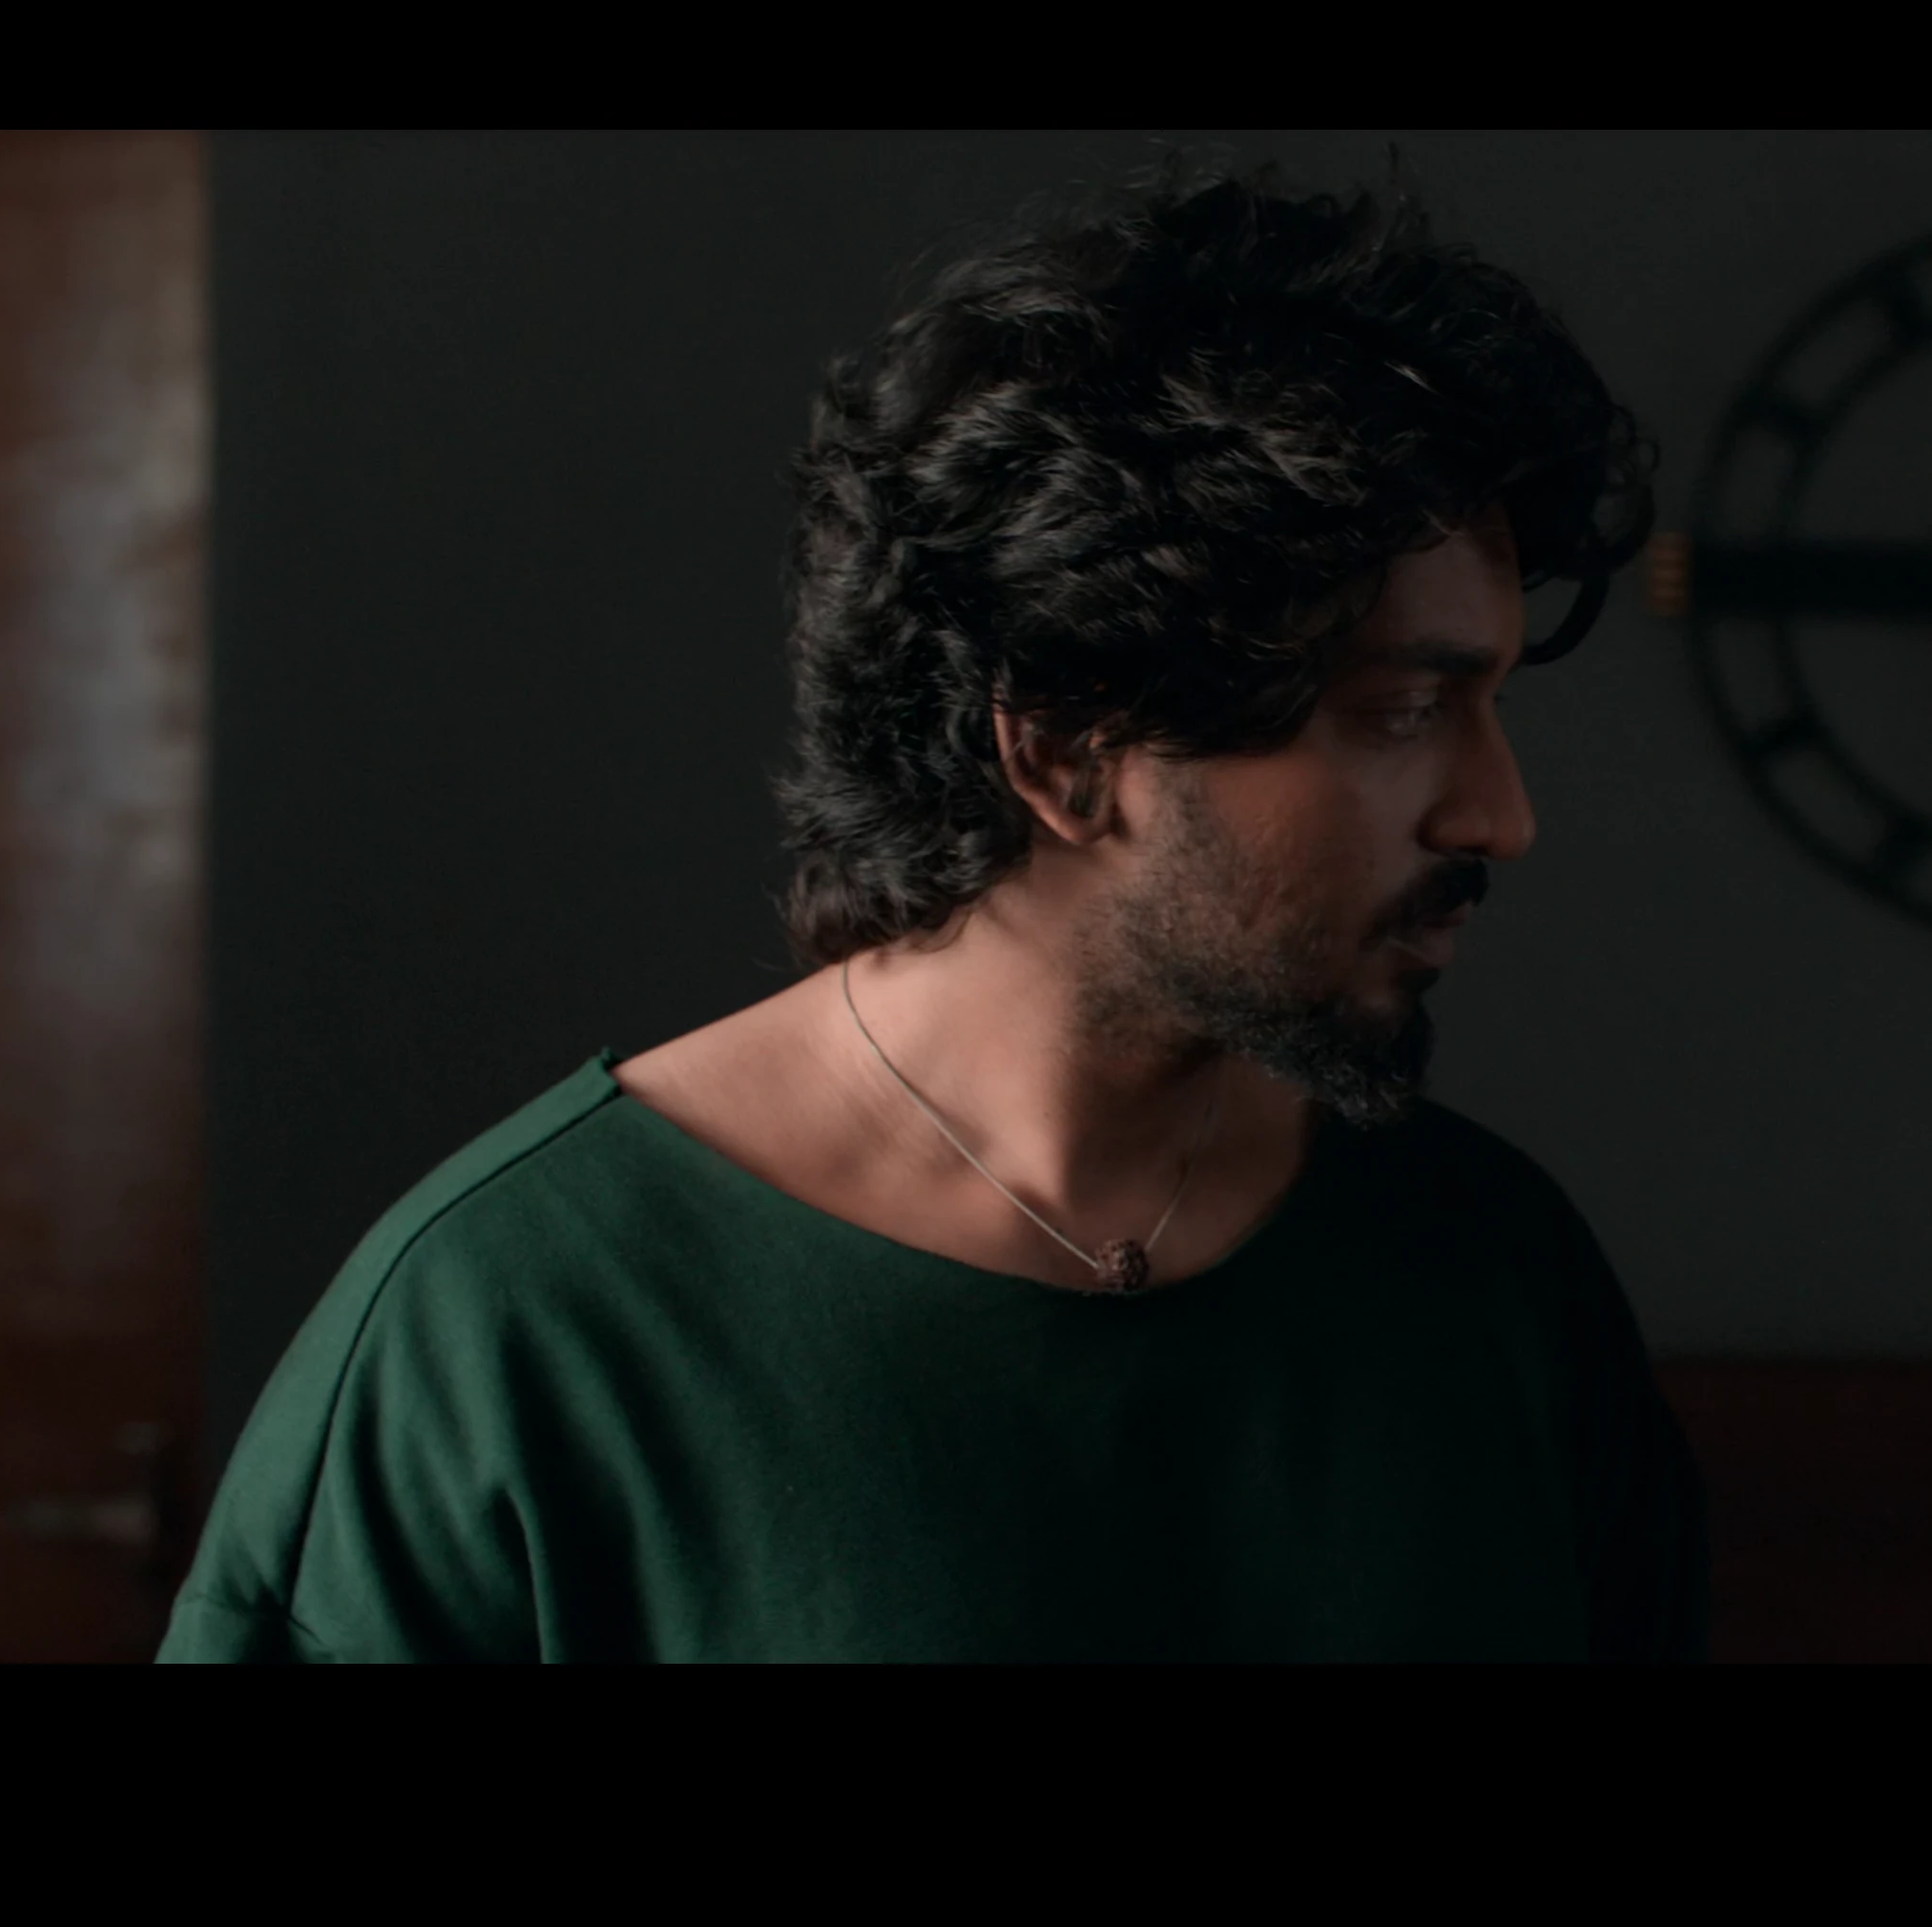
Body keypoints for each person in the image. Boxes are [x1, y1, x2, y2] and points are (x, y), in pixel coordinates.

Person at [160, 169, 1708, 1661]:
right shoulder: (515, 1330)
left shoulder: (1498, 1277)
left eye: (1492, 707)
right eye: (1403, 713)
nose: (1501, 815)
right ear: (1068, 751)